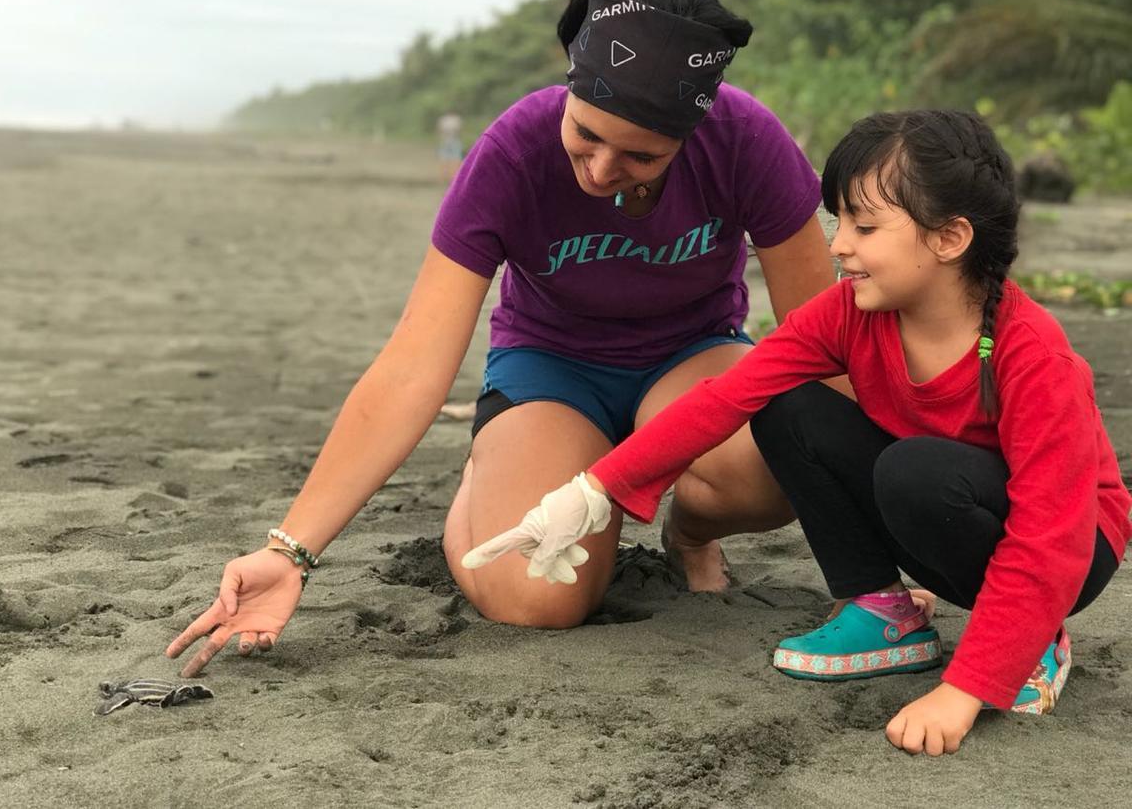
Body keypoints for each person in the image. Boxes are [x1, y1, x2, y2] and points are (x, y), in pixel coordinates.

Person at [166, 0, 839, 677]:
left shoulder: (746, 141)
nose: (602, 168)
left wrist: (893, 548)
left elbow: (822, 341)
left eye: (641, 156)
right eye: (586, 134)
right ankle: (493, 475)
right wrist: (290, 550)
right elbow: (413, 365)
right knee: (538, 599)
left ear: (690, 133)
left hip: (693, 362)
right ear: (569, 87)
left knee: (775, 461)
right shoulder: (512, 153)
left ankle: (692, 536)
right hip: (552, 372)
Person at [463, 109, 1130, 756]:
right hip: (940, 519)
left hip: (1069, 548)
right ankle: (881, 611)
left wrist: (964, 690)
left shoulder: (1031, 352)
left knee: (916, 469)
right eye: (838, 221)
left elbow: (1052, 530)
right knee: (786, 402)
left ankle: (1032, 639)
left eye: (865, 227)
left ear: (951, 239)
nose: (838, 245)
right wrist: (590, 492)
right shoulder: (848, 313)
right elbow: (722, 398)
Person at [435, 112, 465, 182]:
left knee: (455, 158)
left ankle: (453, 175)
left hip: (453, 140)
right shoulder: (450, 119)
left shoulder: (453, 119)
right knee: (445, 158)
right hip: (446, 140)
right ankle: (446, 176)